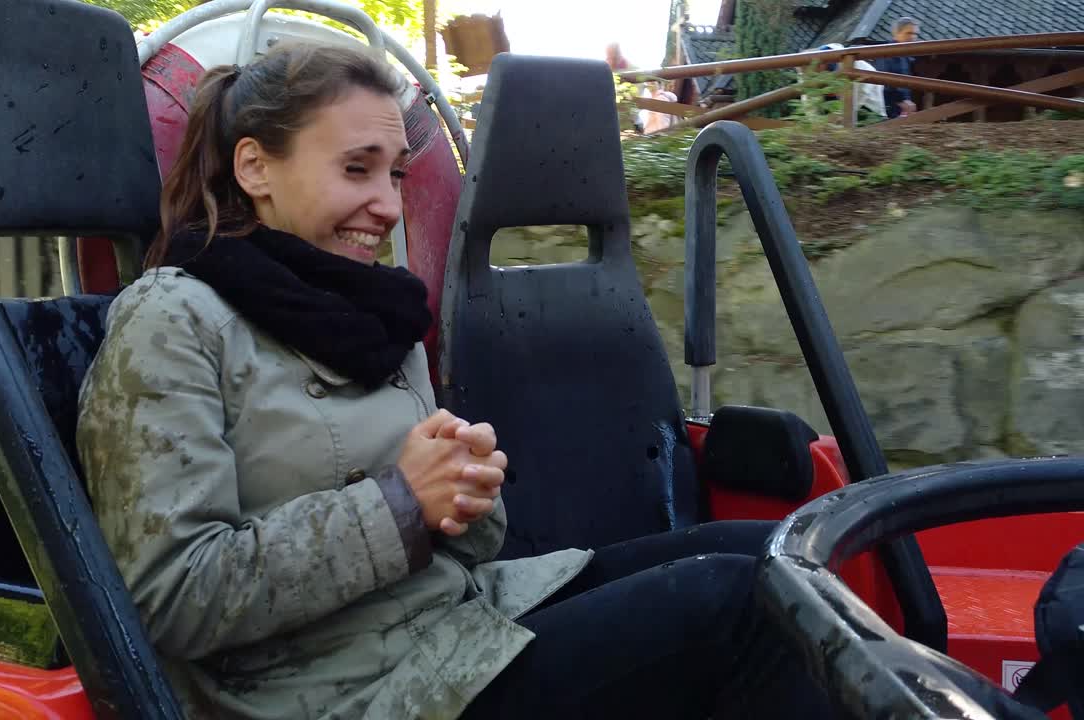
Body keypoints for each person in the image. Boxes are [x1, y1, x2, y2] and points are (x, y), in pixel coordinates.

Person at [76, 41, 836, 720]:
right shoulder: (173, 318)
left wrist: (466, 494)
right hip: (333, 688)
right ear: (255, 167)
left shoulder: (375, 310)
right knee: (741, 607)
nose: (385, 203)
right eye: (355, 169)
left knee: (776, 554)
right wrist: (402, 503)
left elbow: (461, 553)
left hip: (450, 621)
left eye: (395, 173)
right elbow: (168, 597)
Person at [876, 17, 921, 118]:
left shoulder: (904, 55)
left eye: (916, 34)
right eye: (909, 33)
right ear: (897, 33)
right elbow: (883, 81)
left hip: (900, 106)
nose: (913, 37)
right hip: (889, 106)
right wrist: (901, 100)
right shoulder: (887, 52)